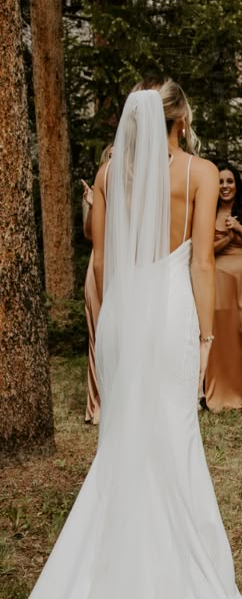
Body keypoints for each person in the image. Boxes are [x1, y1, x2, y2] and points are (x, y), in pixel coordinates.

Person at [10, 80, 242, 599]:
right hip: (169, 308)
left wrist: (105, 323)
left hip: (124, 308)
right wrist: (206, 339)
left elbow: (99, 262)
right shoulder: (197, 172)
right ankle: (172, 569)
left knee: (124, 436)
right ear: (181, 119)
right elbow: (199, 262)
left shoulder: (109, 173)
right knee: (172, 434)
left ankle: (116, 558)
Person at [205, 161, 242, 411]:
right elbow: (205, 250)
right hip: (219, 277)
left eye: (229, 181)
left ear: (237, 185)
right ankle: (221, 390)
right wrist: (228, 237)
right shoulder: (206, 212)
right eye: (220, 182)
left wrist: (240, 229)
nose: (225, 186)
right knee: (222, 334)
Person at [80, 144, 113, 424]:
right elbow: (89, 234)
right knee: (99, 332)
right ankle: (97, 403)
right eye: (109, 157)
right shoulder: (95, 191)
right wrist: (91, 204)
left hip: (125, 264)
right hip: (99, 262)